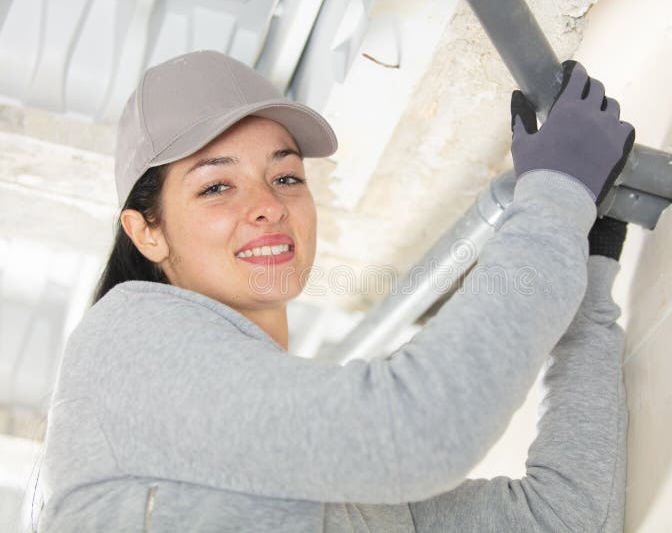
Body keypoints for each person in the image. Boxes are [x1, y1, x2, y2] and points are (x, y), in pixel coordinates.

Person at [34, 49, 633, 532]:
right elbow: (421, 430)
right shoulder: (125, 348)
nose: (268, 205)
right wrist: (555, 195)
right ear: (147, 232)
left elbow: (564, 518)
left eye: (286, 176)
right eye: (217, 187)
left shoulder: (342, 490)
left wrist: (586, 259)